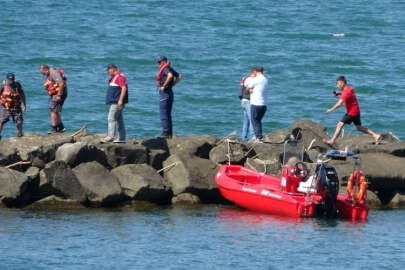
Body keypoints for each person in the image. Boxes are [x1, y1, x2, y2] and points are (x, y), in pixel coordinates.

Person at [324, 76, 381, 145]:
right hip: (356, 111)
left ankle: (332, 141)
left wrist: (330, 110)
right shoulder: (349, 89)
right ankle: (375, 135)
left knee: (340, 124)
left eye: (338, 84)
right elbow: (346, 94)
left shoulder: (346, 93)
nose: (337, 85)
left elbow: (339, 104)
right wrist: (339, 93)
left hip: (351, 113)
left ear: (342, 83)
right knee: (359, 127)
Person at [156, 55, 182, 139]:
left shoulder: (166, 69)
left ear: (163, 62)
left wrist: (164, 85)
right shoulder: (170, 68)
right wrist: (174, 84)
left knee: (163, 113)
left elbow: (170, 75)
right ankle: (169, 133)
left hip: (165, 93)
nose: (158, 64)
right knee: (168, 114)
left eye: (159, 62)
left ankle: (165, 133)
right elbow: (179, 76)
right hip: (170, 92)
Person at [101, 64, 128, 143]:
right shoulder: (115, 77)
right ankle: (121, 138)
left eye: (109, 69)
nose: (108, 71)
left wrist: (120, 100)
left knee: (111, 118)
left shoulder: (119, 77)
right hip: (116, 102)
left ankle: (110, 137)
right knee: (120, 120)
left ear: (113, 69)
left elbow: (124, 88)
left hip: (116, 102)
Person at [39, 64, 67, 134]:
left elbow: (61, 83)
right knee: (55, 110)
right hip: (56, 94)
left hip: (58, 94)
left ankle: (54, 128)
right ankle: (61, 127)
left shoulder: (53, 73)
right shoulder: (50, 73)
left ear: (45, 69)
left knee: (53, 111)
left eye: (43, 73)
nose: (43, 75)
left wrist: (59, 95)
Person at [244, 66, 269, 142]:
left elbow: (247, 87)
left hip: (256, 103)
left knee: (254, 120)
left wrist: (250, 89)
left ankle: (258, 137)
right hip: (264, 104)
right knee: (258, 121)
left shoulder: (256, 79)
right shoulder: (265, 79)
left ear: (256, 71)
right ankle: (258, 136)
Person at [0, 73, 26, 140]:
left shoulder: (17, 85)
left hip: (16, 106)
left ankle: (20, 134)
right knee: (1, 121)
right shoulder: (2, 85)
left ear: (14, 79)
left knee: (19, 121)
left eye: (12, 80)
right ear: (7, 79)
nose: (10, 82)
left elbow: (22, 94)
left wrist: (24, 104)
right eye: (9, 80)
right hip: (5, 107)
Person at [239, 73, 254, 141]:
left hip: (243, 101)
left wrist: (241, 98)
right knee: (252, 120)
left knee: (246, 121)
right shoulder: (252, 80)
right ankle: (253, 136)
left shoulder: (244, 78)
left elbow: (240, 92)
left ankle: (244, 137)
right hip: (248, 101)